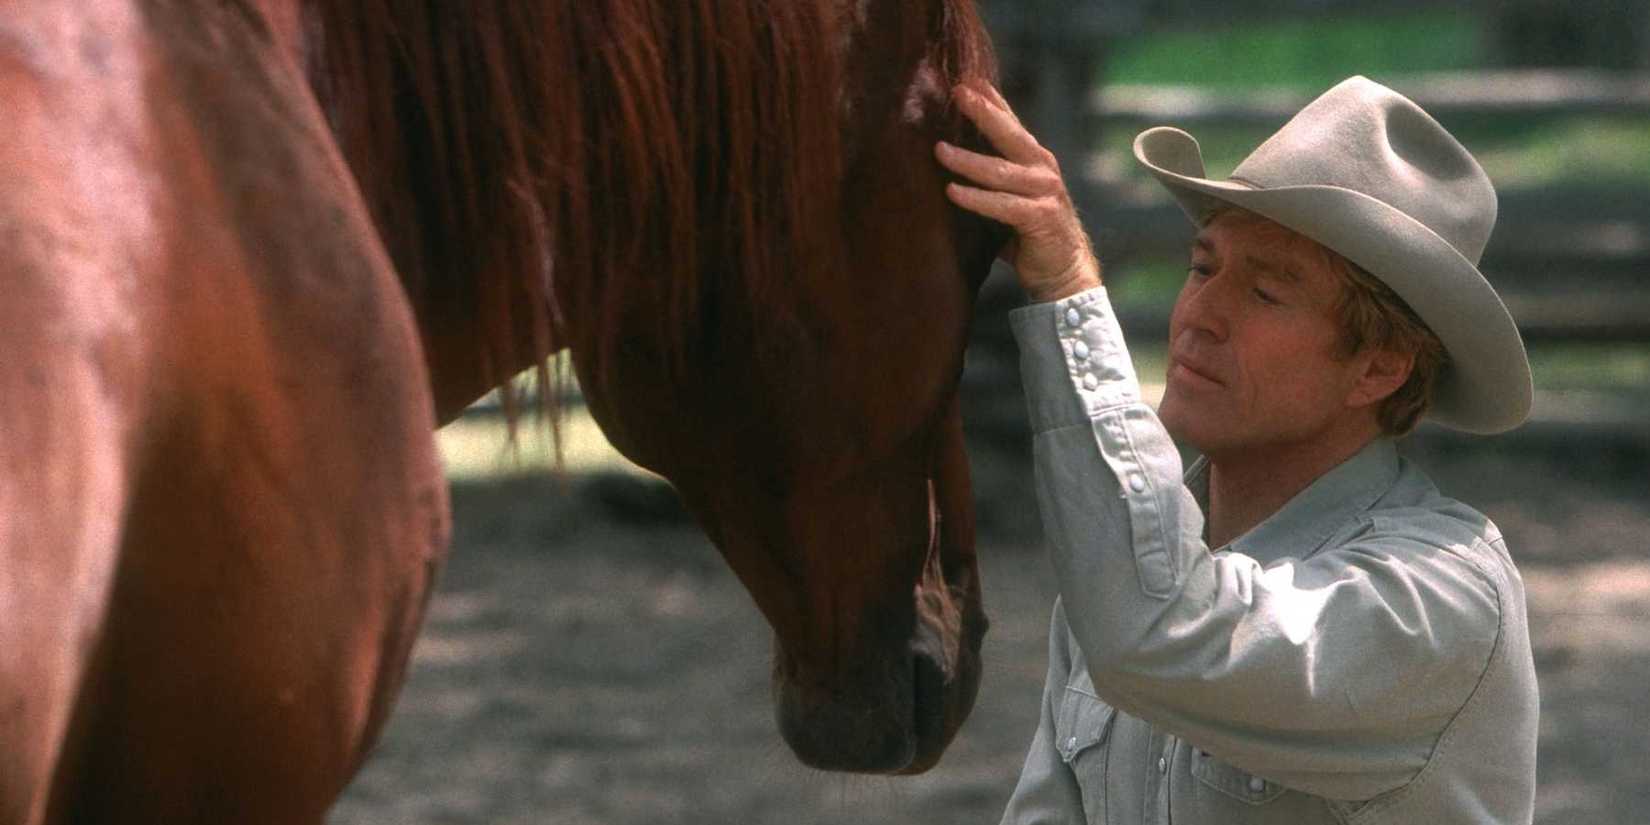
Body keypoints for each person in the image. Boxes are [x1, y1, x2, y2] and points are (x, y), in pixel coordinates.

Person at [935, 76, 1539, 823]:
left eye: (1266, 293)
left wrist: (1065, 286)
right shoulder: (1119, 572)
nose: (1200, 315)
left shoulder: (1442, 598)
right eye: (1203, 267)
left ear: (1379, 366)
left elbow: (1156, 629)